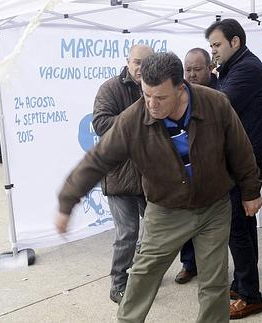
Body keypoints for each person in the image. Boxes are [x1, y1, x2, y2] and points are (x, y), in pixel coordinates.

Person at [55, 52, 262, 322]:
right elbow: (97, 160)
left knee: (214, 282)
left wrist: (250, 191)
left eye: (160, 97)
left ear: (180, 87)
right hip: (165, 211)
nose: (151, 104)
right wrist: (66, 202)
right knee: (142, 274)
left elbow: (239, 147)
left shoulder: (215, 103)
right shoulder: (132, 120)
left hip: (214, 207)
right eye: (146, 95)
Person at [202, 19, 262, 319]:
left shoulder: (246, 69)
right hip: (245, 156)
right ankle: (243, 282)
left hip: (247, 159)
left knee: (236, 225)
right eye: (211, 47)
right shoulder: (235, 67)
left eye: (217, 45)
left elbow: (217, 105)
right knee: (244, 223)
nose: (214, 52)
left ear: (235, 42)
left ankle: (250, 295)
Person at [92, 44, 153, 304]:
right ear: (127, 61)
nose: (141, 67)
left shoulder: (157, 86)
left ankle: (140, 275)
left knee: (153, 232)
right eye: (137, 62)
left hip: (150, 174)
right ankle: (118, 283)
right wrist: (137, 115)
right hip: (119, 174)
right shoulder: (110, 88)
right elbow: (100, 123)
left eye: (146, 63)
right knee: (127, 232)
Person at [174, 47, 218, 285]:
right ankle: (189, 265)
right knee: (187, 223)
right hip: (186, 173)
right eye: (187, 69)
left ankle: (212, 270)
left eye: (197, 69)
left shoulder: (219, 94)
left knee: (212, 228)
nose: (191, 74)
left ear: (210, 69)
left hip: (213, 173)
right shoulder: (179, 94)